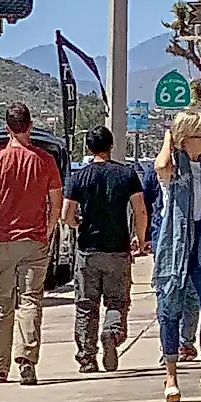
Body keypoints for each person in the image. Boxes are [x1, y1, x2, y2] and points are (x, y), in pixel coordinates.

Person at [151, 108, 201, 402]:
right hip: (176, 246)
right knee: (170, 310)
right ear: (185, 140)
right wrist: (169, 138)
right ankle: (171, 377)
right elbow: (160, 166)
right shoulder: (174, 167)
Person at [0, 103, 62, 387]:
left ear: (7, 129)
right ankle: (26, 360)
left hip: (2, 240)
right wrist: (48, 230)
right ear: (29, 126)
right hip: (34, 240)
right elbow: (56, 203)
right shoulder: (45, 161)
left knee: (2, 304)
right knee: (30, 301)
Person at [62, 125, 149, 375]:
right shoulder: (126, 174)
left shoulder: (79, 177)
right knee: (117, 301)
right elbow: (140, 210)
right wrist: (139, 239)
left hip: (88, 249)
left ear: (89, 148)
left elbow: (66, 215)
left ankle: (87, 358)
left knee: (86, 305)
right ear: (111, 146)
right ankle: (111, 333)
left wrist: (78, 224)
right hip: (118, 250)